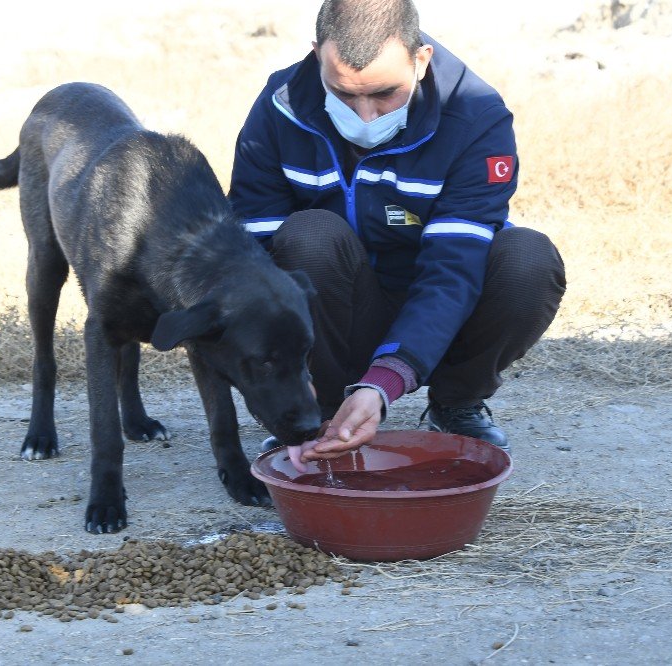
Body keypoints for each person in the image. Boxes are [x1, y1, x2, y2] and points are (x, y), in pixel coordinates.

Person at [228, 0, 566, 468]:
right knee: (309, 235)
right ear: (316, 54)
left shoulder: (476, 116)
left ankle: (456, 402)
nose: (365, 117)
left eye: (385, 94)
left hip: (440, 311)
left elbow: (454, 269)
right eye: (344, 94)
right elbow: (253, 256)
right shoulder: (279, 106)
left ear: (421, 59)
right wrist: (284, 378)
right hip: (335, 311)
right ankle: (320, 413)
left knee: (528, 259)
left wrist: (384, 382)